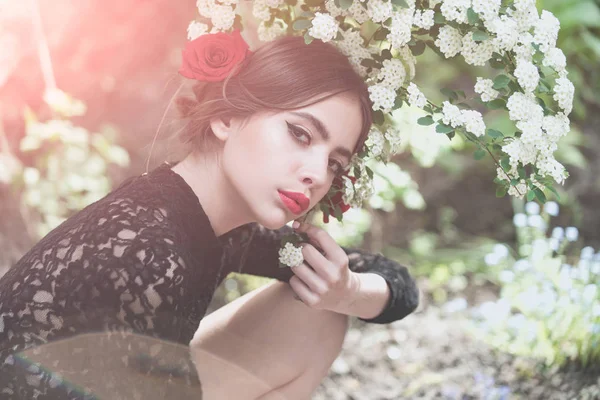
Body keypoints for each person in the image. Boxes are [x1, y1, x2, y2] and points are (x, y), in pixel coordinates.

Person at [0, 31, 419, 399]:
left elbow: (396, 283)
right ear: (226, 116)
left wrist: (347, 292)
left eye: (334, 163)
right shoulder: (148, 249)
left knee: (317, 310)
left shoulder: (219, 224)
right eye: (300, 134)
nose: (315, 174)